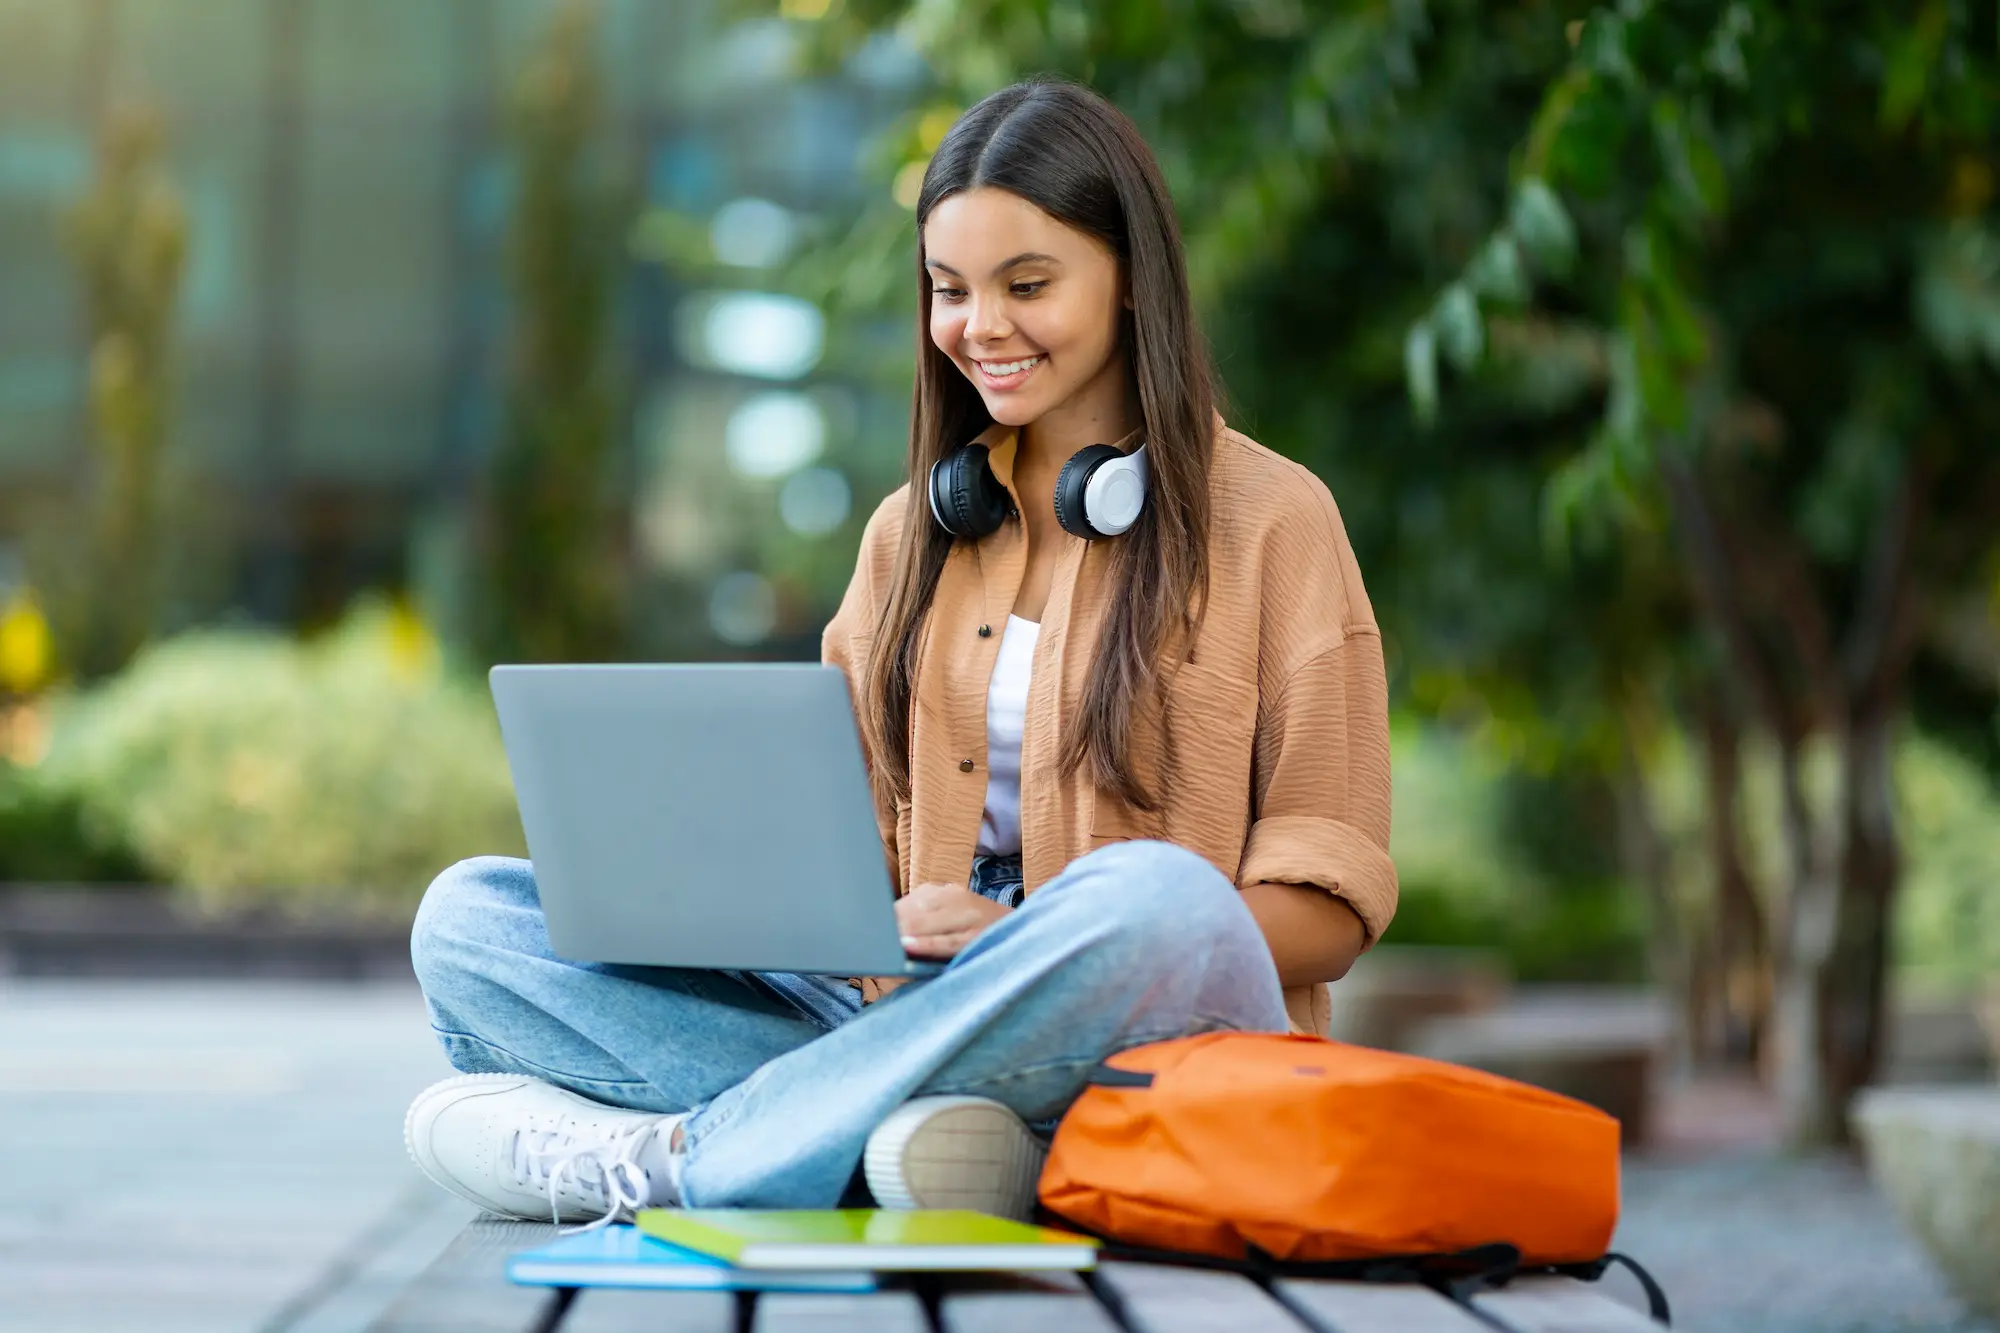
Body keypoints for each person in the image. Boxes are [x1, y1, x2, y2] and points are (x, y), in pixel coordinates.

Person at [402, 78, 1396, 1230]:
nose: (981, 326)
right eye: (949, 289)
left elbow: (1327, 910)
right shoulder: (909, 536)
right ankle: (952, 1143)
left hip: (1146, 1018)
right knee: (469, 919)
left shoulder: (1274, 519)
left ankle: (677, 1154)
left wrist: (1025, 939)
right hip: (891, 1005)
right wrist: (769, 905)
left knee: (1157, 900)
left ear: (1130, 280)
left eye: (1027, 285)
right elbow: (846, 852)